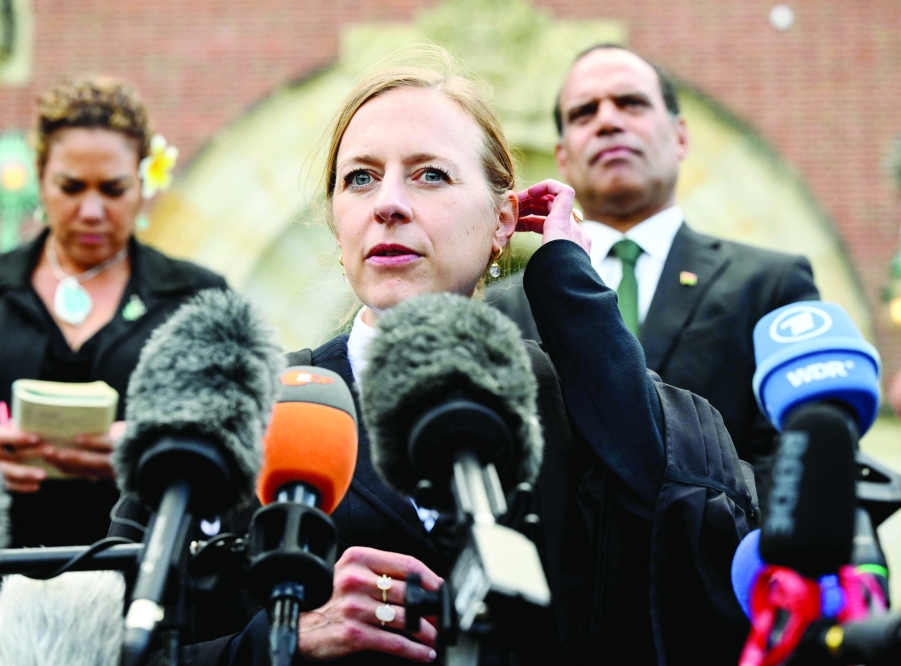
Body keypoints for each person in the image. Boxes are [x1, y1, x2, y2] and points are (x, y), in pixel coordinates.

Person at [117, 50, 753, 665]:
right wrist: (282, 639)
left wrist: (569, 282)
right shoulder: (246, 407)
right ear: (337, 225)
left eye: (430, 174)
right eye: (360, 178)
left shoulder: (576, 401)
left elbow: (686, 530)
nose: (387, 204)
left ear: (503, 221)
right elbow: (115, 638)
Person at [0, 77, 227, 548]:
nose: (91, 210)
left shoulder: (196, 296)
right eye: (71, 187)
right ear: (40, 177)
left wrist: (151, 450)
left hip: (138, 570)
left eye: (113, 189)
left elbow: (234, 440)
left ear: (141, 184)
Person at [486, 44, 819, 503]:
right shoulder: (502, 306)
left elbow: (791, 458)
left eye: (631, 103)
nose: (607, 121)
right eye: (584, 113)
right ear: (562, 156)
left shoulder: (770, 285)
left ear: (680, 137)